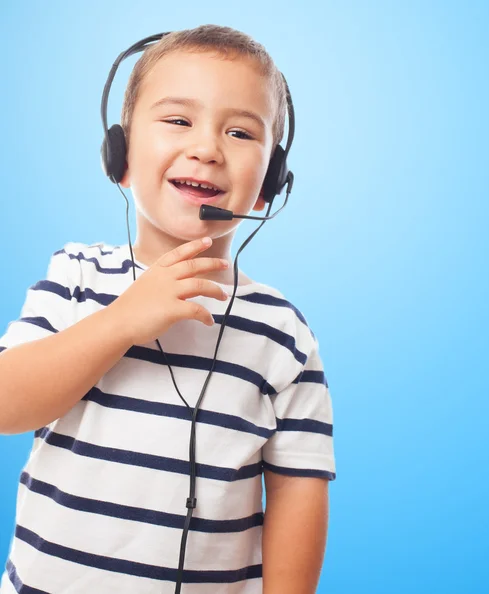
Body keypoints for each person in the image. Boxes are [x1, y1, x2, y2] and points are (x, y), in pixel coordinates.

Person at [0, 25, 335, 594]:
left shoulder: (282, 334)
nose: (206, 148)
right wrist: (122, 320)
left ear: (268, 185)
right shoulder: (77, 277)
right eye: (178, 120)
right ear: (121, 157)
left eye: (239, 132)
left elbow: (298, 488)